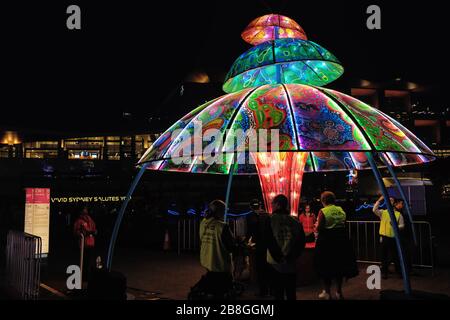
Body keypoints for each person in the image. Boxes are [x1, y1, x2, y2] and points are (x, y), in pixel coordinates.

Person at [314, 191, 358, 300]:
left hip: (327, 242)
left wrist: (315, 226)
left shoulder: (323, 211)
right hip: (341, 241)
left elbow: (319, 227)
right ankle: (339, 292)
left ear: (323, 200)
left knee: (325, 267)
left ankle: (327, 293)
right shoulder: (340, 210)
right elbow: (343, 223)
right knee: (339, 267)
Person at [265, 194, 305, 300]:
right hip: (290, 262)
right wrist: (291, 256)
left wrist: (278, 257)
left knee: (278, 293)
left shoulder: (269, 220)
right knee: (291, 292)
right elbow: (301, 242)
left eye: (273, 203)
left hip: (274, 263)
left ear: (278, 205)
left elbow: (268, 240)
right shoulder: (295, 221)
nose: (272, 205)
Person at [198, 200, 237, 298]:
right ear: (220, 211)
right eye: (224, 211)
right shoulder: (222, 226)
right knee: (222, 292)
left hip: (207, 261)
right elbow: (231, 246)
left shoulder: (203, 223)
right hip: (220, 264)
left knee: (212, 289)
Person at [373, 195, 405, 279]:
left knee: (395, 256)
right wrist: (380, 200)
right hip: (384, 237)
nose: (389, 202)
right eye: (388, 200)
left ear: (394, 203)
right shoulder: (383, 212)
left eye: (391, 200)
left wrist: (396, 226)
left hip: (394, 238)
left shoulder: (398, 214)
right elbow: (374, 209)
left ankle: (399, 272)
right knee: (383, 256)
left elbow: (402, 225)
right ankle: (384, 272)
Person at [246, 199, 271, 297]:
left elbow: (249, 232)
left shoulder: (250, 216)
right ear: (260, 206)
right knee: (268, 268)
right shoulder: (267, 215)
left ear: (251, 207)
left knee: (260, 269)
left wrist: (246, 241)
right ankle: (271, 290)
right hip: (268, 246)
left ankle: (263, 292)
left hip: (259, 246)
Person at [73, 206, 97, 280]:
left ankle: (86, 275)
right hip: (83, 244)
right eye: (84, 209)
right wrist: (83, 233)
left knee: (88, 260)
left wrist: (93, 232)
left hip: (90, 243)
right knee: (83, 261)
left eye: (86, 209)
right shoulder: (79, 221)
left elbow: (94, 229)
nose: (85, 210)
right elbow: (76, 232)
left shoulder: (90, 219)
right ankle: (83, 275)